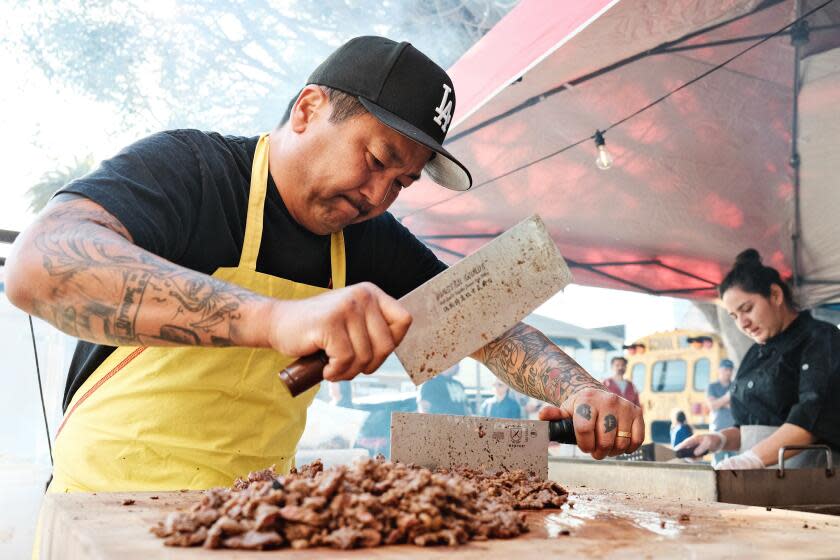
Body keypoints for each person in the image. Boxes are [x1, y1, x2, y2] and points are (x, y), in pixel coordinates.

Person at [6, 36, 643, 494]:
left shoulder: (368, 239)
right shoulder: (193, 171)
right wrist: (274, 320)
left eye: (402, 182)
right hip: (106, 508)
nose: (376, 196)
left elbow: (492, 328)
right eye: (374, 158)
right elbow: (38, 266)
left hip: (251, 518)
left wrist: (578, 391)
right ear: (308, 110)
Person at [676, 249, 840, 470]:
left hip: (809, 479)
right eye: (734, 316)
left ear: (775, 295)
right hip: (761, 479)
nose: (742, 323)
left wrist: (749, 460)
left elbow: (812, 416)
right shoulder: (754, 354)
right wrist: (718, 440)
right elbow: (752, 425)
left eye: (747, 309)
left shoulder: (820, 338)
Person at [706, 358, 736, 464]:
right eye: (726, 369)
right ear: (719, 370)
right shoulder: (712, 387)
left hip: (734, 432)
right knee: (718, 466)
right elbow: (712, 406)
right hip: (717, 432)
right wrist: (727, 398)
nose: (728, 372)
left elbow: (736, 406)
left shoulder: (734, 386)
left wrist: (720, 402)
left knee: (736, 465)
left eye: (730, 369)